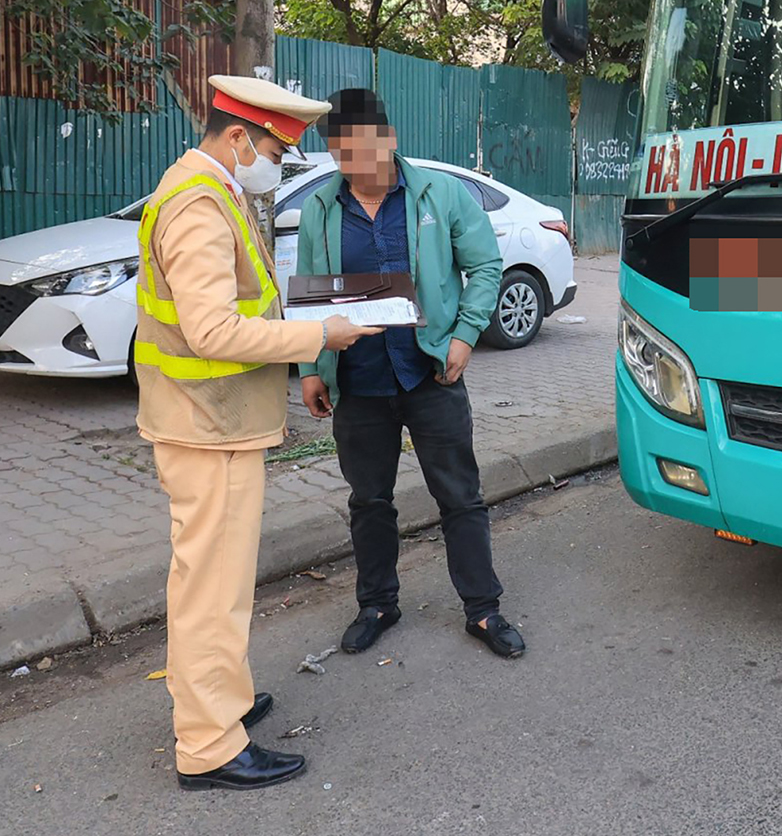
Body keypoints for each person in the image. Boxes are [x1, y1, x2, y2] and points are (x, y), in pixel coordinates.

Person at [137, 75, 380, 792]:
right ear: (238, 137)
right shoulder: (198, 205)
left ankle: (223, 701)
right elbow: (212, 326)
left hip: (214, 419)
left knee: (217, 582)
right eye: (276, 147)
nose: (279, 161)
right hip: (203, 423)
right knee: (211, 589)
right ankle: (209, 745)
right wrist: (320, 333)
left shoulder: (216, 191)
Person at [294, 89, 523, 659]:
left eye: (365, 152)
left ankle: (483, 611)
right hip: (359, 381)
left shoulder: (439, 194)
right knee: (368, 502)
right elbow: (310, 299)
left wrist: (467, 335)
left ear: (388, 140)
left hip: (431, 373)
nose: (357, 167)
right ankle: (377, 604)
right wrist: (311, 369)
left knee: (460, 497)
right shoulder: (322, 210)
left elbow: (485, 266)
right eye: (343, 156)